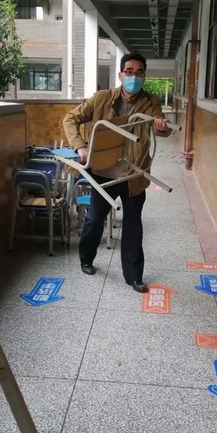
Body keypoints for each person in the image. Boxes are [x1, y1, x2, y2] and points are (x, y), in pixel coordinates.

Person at [63, 52, 171, 292]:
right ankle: (86, 258)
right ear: (121, 75)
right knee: (94, 219)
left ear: (144, 76)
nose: (134, 77)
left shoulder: (150, 102)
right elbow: (70, 119)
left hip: (134, 175)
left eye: (139, 73)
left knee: (133, 226)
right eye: (129, 72)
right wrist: (80, 146)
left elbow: (160, 128)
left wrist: (162, 127)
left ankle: (134, 276)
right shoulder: (101, 99)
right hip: (104, 172)